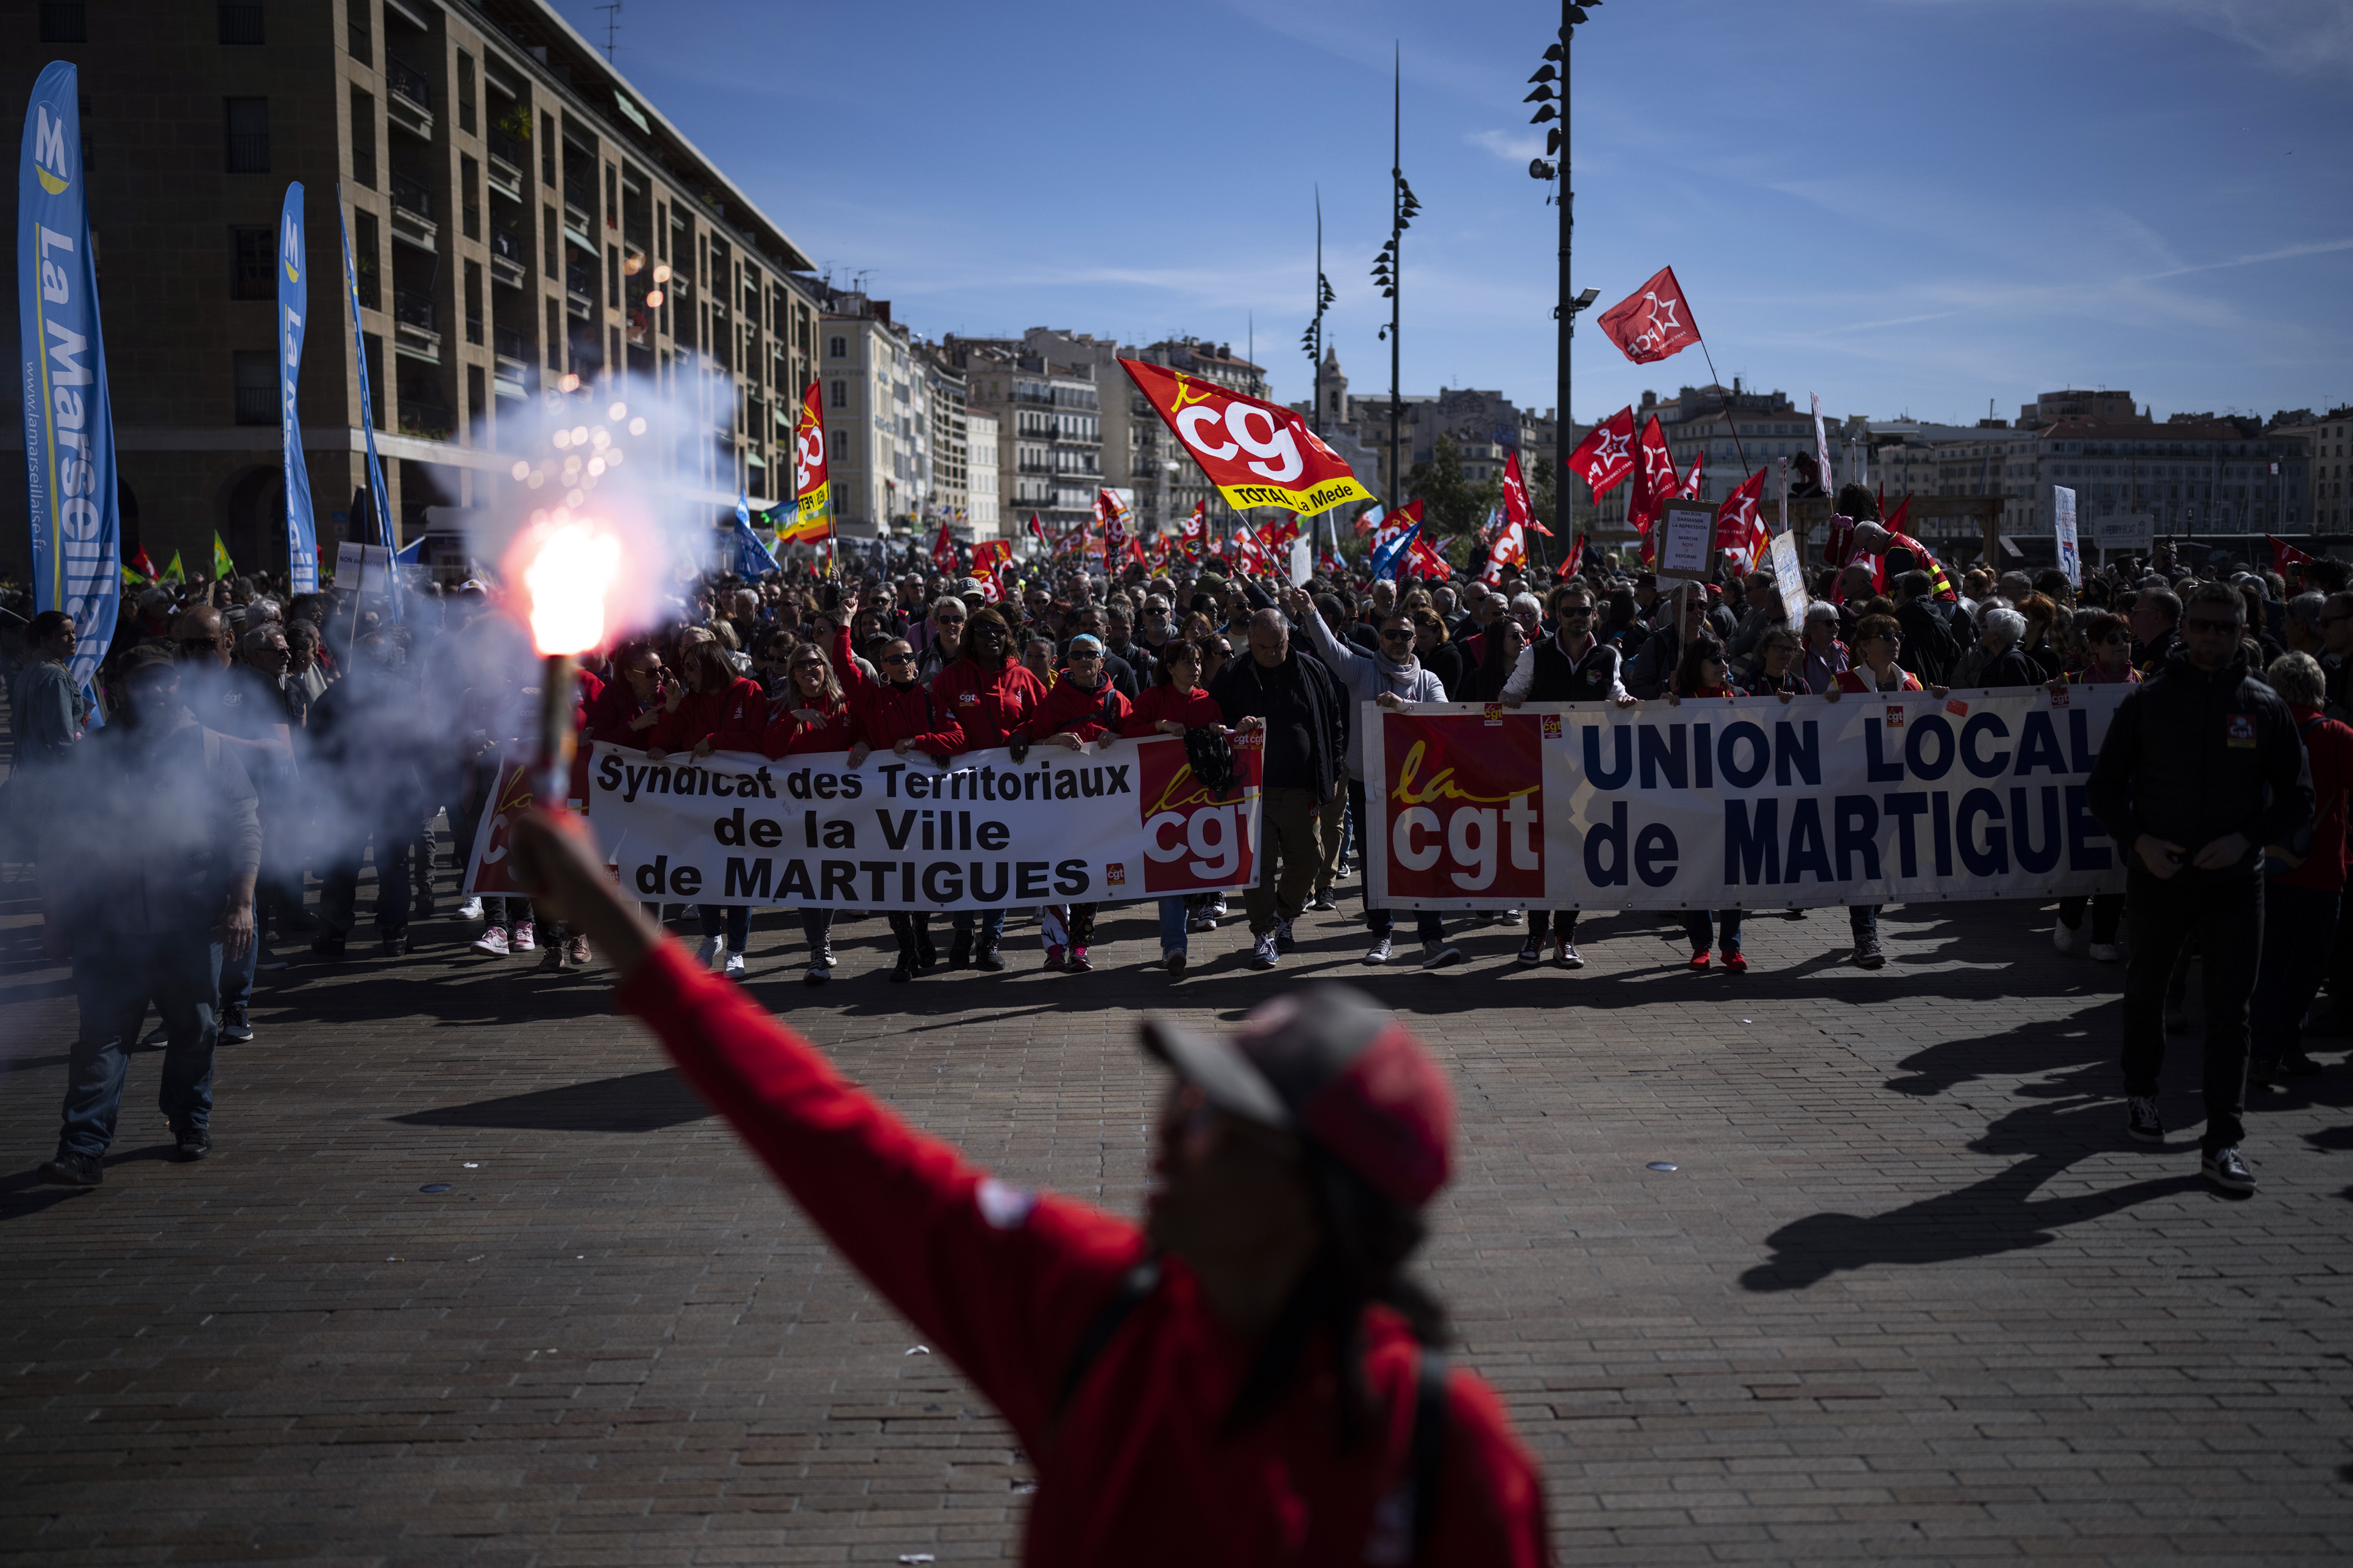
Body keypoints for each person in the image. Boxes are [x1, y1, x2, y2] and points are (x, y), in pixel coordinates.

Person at [505, 807, 1553, 1565]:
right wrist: (618, 927)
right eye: (1179, 1102)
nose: (1165, 1137)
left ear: (1319, 1200)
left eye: (1211, 1123)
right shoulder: (1092, 1312)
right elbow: (844, 1149)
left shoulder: (1443, 1452)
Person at [2088, 583, 2312, 1194]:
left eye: (2226, 626)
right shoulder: (2147, 702)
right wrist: (2138, 842)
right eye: (2204, 625)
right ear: (2184, 628)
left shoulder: (2263, 706)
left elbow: (2298, 796)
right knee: (2145, 991)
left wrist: (2247, 839)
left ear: (2243, 631)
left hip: (2234, 883)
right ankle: (2140, 1091)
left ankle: (2222, 1142)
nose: (2213, 636)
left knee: (2228, 1013)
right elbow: (2103, 788)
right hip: (2157, 877)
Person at [35, 648, 260, 1185]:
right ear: (116, 688)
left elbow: (244, 825)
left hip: (190, 922)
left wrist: (243, 902)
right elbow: (61, 842)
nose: (158, 693)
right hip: (106, 927)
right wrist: (55, 915)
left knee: (195, 1029)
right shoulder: (93, 755)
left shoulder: (208, 748)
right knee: (101, 1039)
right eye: (144, 684)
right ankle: (82, 1148)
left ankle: (189, 1121)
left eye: (166, 682)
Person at [1287, 594, 1462, 970]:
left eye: (1405, 635)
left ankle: (1432, 938)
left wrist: (1405, 710)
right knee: (1375, 861)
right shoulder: (1361, 671)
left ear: (1416, 641)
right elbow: (1329, 648)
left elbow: (1443, 717)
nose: (1397, 641)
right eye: (1390, 635)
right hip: (1369, 783)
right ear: (1379, 640)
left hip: (1417, 788)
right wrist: (1310, 612)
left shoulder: (1429, 680)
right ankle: (1382, 935)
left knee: (1423, 859)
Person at [714, 628, 863, 986]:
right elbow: (771, 751)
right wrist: (794, 719)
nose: (810, 670)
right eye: (801, 666)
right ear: (793, 674)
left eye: (815, 664)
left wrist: (863, 742)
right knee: (808, 879)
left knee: (829, 877)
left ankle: (822, 940)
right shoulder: (780, 707)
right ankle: (818, 947)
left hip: (839, 809)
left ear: (825, 667)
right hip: (797, 811)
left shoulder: (846, 703)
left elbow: (866, 735)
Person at [1211, 608, 1347, 971]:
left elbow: (1334, 721)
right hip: (1253, 791)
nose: (1271, 653)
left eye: (1279, 645)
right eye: (1262, 647)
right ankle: (1264, 934)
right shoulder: (1232, 674)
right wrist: (1231, 729)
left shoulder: (1313, 669)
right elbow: (1212, 725)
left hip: (1304, 789)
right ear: (1249, 643)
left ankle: (1284, 915)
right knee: (1259, 866)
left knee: (1309, 861)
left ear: (1289, 637)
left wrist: (1332, 771)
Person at [2248, 652, 2353, 1088]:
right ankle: (2287, 1042)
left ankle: (2266, 1046)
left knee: (2267, 962)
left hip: (2261, 863)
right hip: (2321, 866)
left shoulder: (2256, 730)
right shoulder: (2336, 734)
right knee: (2308, 965)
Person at [931, 605, 1047, 970]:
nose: (992, 639)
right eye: (983, 633)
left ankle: (990, 941)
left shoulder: (1024, 678)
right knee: (966, 864)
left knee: (999, 866)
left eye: (998, 632)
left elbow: (1044, 718)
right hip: (963, 790)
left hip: (1011, 790)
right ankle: (963, 934)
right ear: (971, 639)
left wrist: (1024, 732)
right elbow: (936, 717)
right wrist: (941, 741)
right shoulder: (951, 678)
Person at [650, 634, 766, 976]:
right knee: (703, 869)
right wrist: (671, 709)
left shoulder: (750, 691)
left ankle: (736, 950)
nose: (685, 674)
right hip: (700, 802)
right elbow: (663, 744)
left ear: (710, 665)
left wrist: (716, 741)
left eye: (690, 667)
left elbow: (759, 740)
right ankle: (711, 936)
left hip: (741, 801)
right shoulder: (691, 702)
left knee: (737, 875)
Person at [1028, 633, 1132, 972]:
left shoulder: (1117, 701)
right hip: (1059, 807)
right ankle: (1054, 947)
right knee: (1059, 874)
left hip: (1102, 810)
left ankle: (1080, 947)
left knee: (1091, 878)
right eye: (1078, 655)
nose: (1085, 660)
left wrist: (1119, 736)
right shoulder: (1054, 702)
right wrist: (1052, 740)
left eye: (1092, 654)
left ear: (1102, 661)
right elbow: (1026, 744)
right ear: (1066, 662)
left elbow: (1142, 739)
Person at [1123, 639, 1224, 976]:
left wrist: (1218, 733)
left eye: (1198, 661)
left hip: (1200, 804)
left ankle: (1200, 914)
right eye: (1187, 662)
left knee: (1192, 872)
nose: (1195, 667)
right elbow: (1125, 734)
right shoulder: (1152, 699)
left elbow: (1223, 746)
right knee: (1170, 876)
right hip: (1159, 804)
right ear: (1169, 667)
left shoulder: (1209, 702)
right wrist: (1158, 727)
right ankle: (1174, 945)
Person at [1668, 634, 1748, 971]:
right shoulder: (1678, 701)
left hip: (1732, 800)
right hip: (1693, 802)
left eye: (1724, 659)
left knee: (1733, 876)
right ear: (1696, 666)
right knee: (1697, 873)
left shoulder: (1742, 698)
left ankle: (1731, 946)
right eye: (1715, 661)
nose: (1723, 666)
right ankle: (1701, 945)